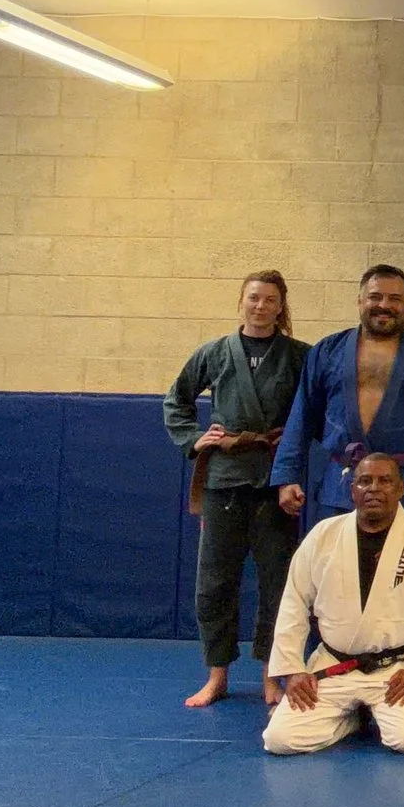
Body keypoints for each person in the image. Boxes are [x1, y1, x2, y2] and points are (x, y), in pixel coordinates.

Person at [164, 270, 308, 708]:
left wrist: (295, 467)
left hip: (274, 482)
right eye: (253, 298)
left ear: (281, 307)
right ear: (241, 302)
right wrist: (195, 439)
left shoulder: (300, 355)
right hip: (224, 480)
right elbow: (177, 400)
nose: (261, 306)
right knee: (214, 583)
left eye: (269, 300)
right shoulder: (214, 353)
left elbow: (315, 413)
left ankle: (272, 674)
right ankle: (217, 674)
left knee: (278, 585)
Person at [262, 453, 404, 756]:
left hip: (399, 669)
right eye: (364, 481)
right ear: (352, 489)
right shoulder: (323, 535)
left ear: (400, 489)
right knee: (279, 740)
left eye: (385, 481)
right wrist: (292, 669)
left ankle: (366, 712)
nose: (374, 488)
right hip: (335, 664)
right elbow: (293, 603)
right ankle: (349, 719)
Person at [274, 264, 404, 523]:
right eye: (375, 297)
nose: (384, 305)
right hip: (344, 479)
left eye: (395, 299)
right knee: (338, 558)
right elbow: (302, 416)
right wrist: (287, 476)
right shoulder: (327, 350)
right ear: (360, 301)